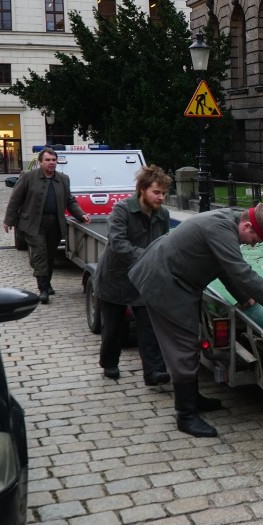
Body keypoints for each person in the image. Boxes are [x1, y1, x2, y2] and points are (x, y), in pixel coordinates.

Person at [128, 202, 263, 438]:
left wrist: (244, 298)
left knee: (189, 344)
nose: (253, 244)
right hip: (164, 283)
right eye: (255, 239)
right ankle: (186, 416)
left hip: (175, 281)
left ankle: (193, 399)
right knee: (183, 348)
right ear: (247, 225)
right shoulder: (220, 228)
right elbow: (239, 269)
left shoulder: (229, 223)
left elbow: (222, 267)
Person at [92, 165, 172, 385]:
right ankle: (109, 363)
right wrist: (147, 256)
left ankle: (153, 372)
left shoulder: (162, 214)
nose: (161, 197)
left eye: (164, 193)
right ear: (142, 190)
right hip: (115, 277)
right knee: (114, 327)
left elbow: (163, 243)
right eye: (157, 192)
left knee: (149, 326)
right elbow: (118, 243)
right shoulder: (122, 209)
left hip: (143, 279)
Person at [3, 147, 90, 303]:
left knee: (49, 255)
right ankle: (43, 289)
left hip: (55, 223)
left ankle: (47, 283)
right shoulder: (28, 177)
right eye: (48, 160)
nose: (51, 163)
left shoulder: (63, 179)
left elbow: (70, 200)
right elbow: (15, 199)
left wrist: (81, 214)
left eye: (53, 160)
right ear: (40, 162)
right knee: (40, 254)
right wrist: (9, 220)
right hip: (33, 223)